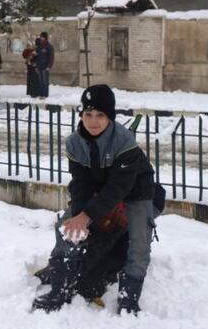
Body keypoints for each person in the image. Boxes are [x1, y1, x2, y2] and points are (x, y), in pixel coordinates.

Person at [31, 84, 157, 315]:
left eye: (100, 115)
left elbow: (119, 187)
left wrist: (88, 216)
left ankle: (129, 299)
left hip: (136, 193)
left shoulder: (124, 142)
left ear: (110, 117)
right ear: (81, 115)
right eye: (88, 114)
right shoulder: (74, 144)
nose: (93, 121)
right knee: (67, 227)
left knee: (139, 244)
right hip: (100, 192)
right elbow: (80, 183)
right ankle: (60, 288)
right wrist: (80, 216)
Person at [33, 32, 54, 98]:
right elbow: (36, 56)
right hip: (39, 66)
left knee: (45, 81)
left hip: (45, 66)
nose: (41, 38)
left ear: (45, 38)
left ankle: (45, 94)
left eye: (42, 37)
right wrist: (35, 66)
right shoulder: (38, 46)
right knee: (40, 80)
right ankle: (41, 94)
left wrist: (49, 66)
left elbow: (51, 57)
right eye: (40, 36)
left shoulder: (49, 46)